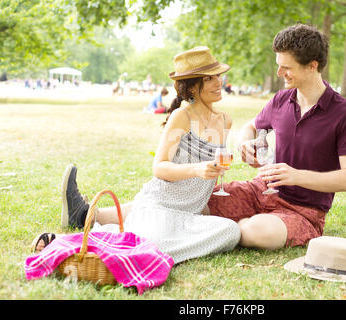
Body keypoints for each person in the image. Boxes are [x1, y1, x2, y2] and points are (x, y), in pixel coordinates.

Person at [32, 46, 241, 264]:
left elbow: (212, 169)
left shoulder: (225, 120)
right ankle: (75, 243)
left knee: (231, 231)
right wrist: (196, 169)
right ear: (192, 86)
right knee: (154, 239)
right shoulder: (182, 116)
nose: (219, 82)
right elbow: (159, 167)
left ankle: (140, 246)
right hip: (159, 207)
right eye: (209, 78)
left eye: (218, 76)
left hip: (190, 214)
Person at [205, 24, 346, 251]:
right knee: (200, 200)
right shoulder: (281, 99)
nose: (279, 73)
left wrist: (296, 176)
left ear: (312, 66)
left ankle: (225, 226)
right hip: (260, 191)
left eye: (286, 68)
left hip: (303, 210)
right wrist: (246, 143)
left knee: (255, 232)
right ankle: (226, 222)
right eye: (278, 66)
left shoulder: (345, 114)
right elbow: (250, 126)